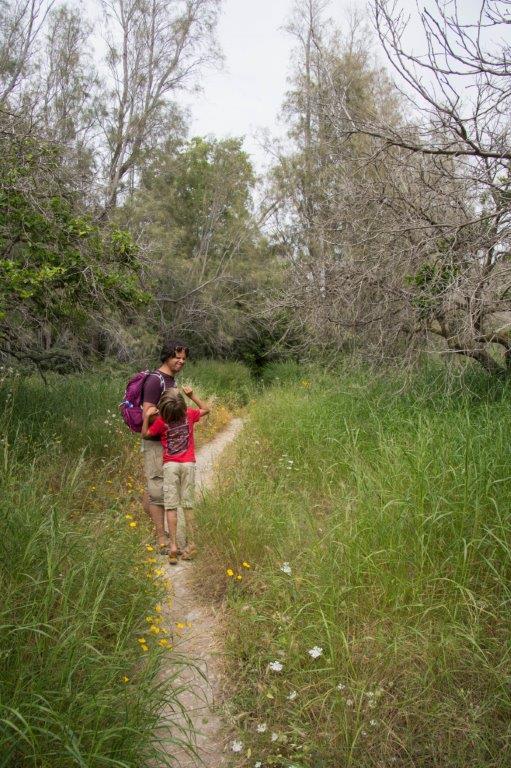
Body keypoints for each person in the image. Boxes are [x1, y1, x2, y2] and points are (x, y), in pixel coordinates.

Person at [141, 387, 210, 563]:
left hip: (170, 466)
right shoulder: (189, 414)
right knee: (188, 505)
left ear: (163, 407)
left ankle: (172, 547)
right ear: (181, 405)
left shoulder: (161, 422)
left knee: (171, 506)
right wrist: (192, 395)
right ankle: (192, 544)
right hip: (188, 464)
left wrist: (147, 416)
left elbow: (146, 435)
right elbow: (206, 409)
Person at [141, 339, 189, 552]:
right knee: (157, 489)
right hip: (154, 443)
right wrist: (167, 419)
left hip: (168, 443)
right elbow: (148, 414)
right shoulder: (155, 380)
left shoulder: (171, 380)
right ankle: (161, 540)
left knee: (158, 488)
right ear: (166, 356)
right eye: (176, 357)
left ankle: (159, 531)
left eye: (183, 358)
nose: (180, 361)